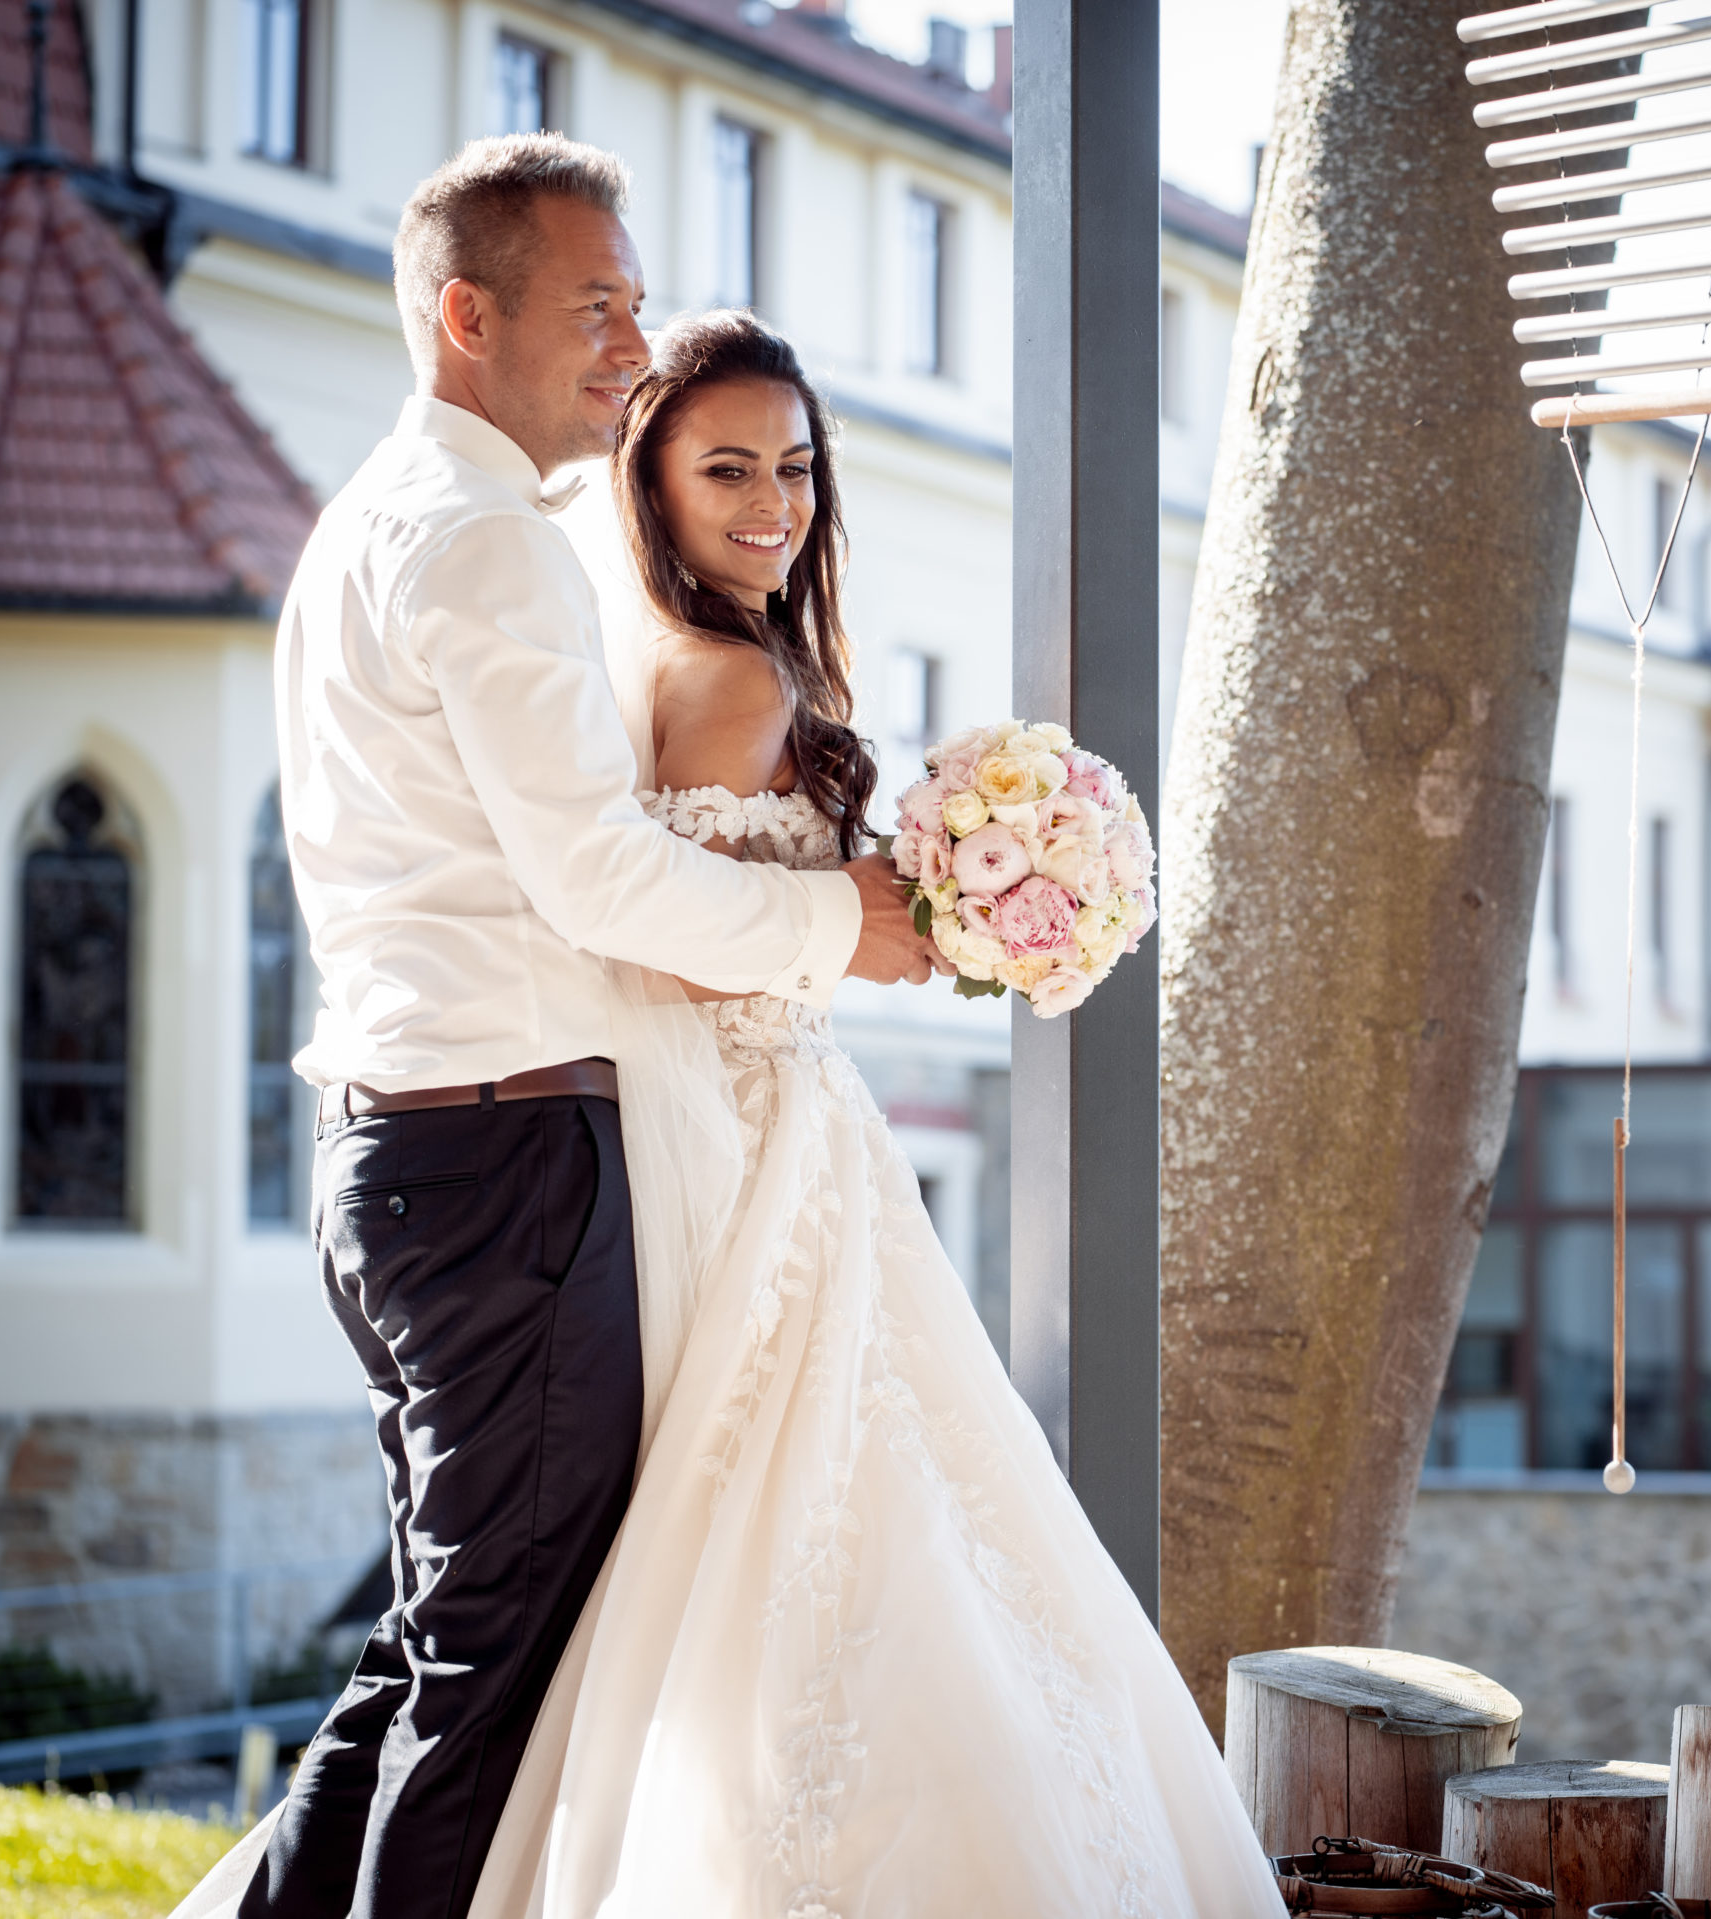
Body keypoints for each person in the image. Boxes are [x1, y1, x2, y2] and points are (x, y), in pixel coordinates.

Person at [172, 135, 936, 1919]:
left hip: (413, 1152)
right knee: (488, 1664)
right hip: (499, 1161)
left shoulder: (372, 522)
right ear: (465, 314)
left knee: (446, 1636)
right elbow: (597, 881)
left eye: (638, 303)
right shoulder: (483, 545)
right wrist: (845, 923)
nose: (628, 341)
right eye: (597, 307)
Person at [458, 308, 1284, 1916]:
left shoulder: (725, 659)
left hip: (779, 1123)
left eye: (795, 467)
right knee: (836, 1518)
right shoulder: (724, 678)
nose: (774, 502)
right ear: (653, 485)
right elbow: (668, 942)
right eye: (727, 470)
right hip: (757, 1140)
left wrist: (942, 911)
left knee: (851, 1518)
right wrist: (878, 921)